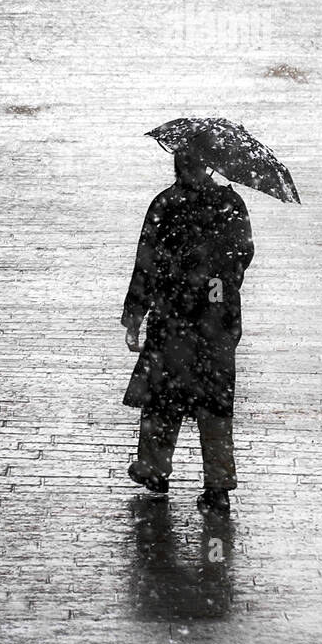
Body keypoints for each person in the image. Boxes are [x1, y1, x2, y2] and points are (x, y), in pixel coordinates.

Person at [122, 146, 255, 514]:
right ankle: (217, 486)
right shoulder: (230, 204)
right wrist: (218, 287)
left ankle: (153, 469)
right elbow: (243, 253)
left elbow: (145, 261)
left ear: (179, 165)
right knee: (214, 403)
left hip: (173, 317)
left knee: (163, 396)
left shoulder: (165, 204)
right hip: (217, 320)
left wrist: (135, 312)